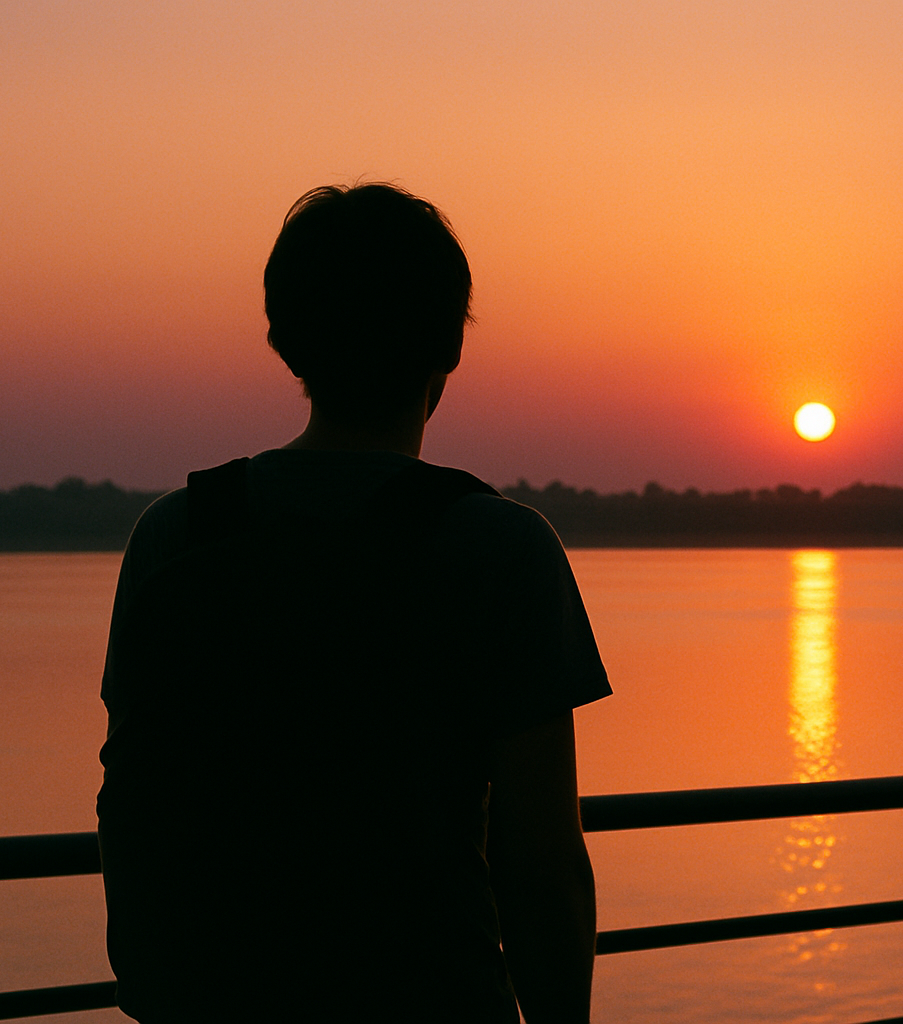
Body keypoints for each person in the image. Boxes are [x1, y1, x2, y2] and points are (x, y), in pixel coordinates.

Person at [96, 183, 610, 1023]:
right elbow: (543, 855)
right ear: (448, 347)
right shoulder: (500, 550)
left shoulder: (176, 537)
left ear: (288, 342)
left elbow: (130, 802)